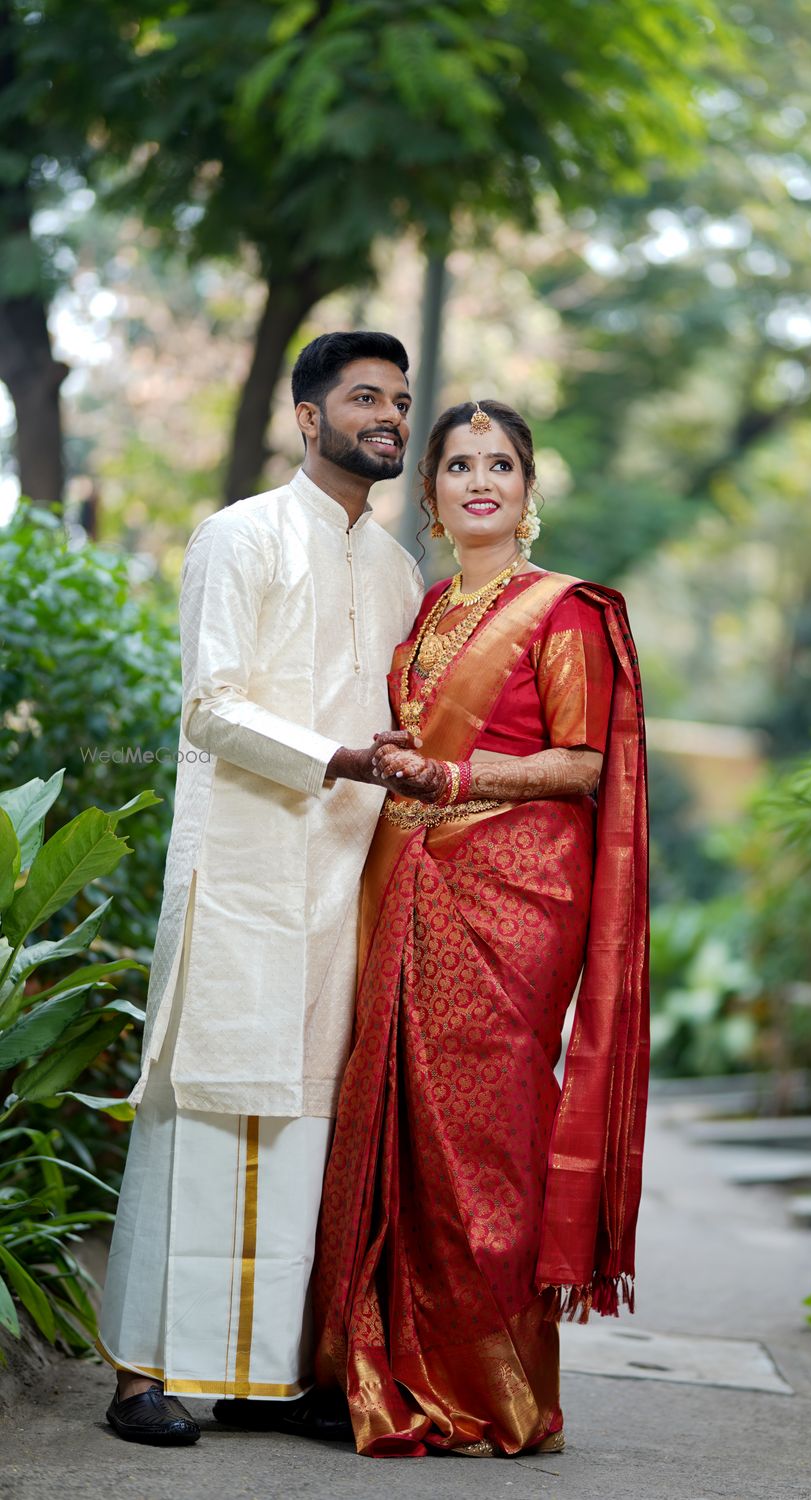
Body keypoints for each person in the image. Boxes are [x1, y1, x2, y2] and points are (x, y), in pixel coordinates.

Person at [98, 330, 432, 1446]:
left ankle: (263, 1373)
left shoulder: (398, 572)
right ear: (307, 417)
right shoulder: (239, 535)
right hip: (245, 864)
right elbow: (208, 707)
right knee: (203, 1110)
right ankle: (143, 1374)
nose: (387, 416)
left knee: (304, 1128)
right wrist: (335, 757)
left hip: (344, 877)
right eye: (363, 398)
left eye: (397, 400)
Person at [312, 398, 650, 1458]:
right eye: (457, 465)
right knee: (400, 1130)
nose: (478, 480)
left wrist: (457, 774)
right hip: (408, 879)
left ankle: (497, 1394)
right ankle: (390, 1374)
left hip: (512, 898)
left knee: (486, 1141)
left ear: (528, 489)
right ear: (431, 496)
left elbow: (583, 764)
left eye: (499, 463)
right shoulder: (422, 618)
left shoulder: (561, 612)